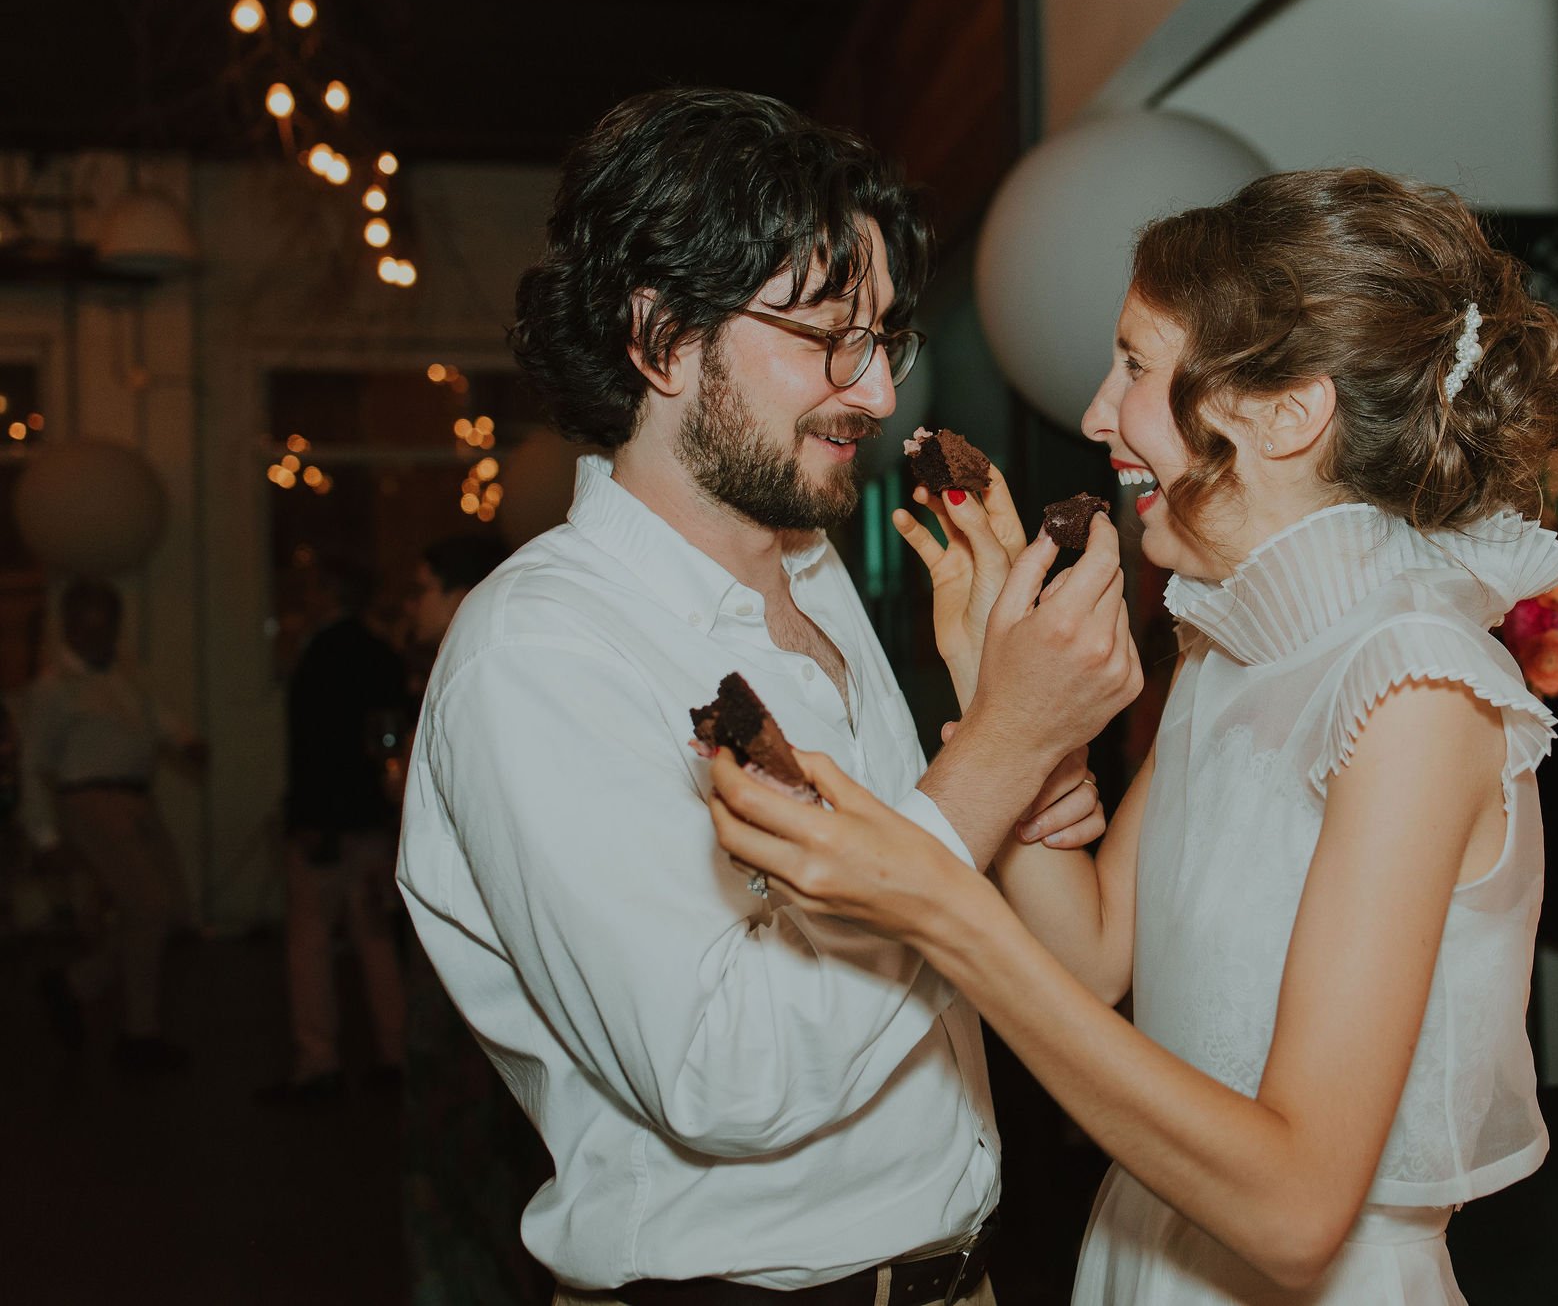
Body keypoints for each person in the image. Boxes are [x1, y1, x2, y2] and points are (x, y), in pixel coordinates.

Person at [709, 167, 1558, 1304]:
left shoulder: (1413, 689)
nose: (1091, 413)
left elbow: (1293, 1206)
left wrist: (939, 901)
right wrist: (999, 691)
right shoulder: (1227, 645)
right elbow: (1092, 955)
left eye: (1133, 364)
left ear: (1284, 411)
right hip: (1146, 1251)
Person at [397, 87, 1139, 1303]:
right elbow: (723, 1074)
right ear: (662, 337)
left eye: (884, 338)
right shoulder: (537, 653)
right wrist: (1002, 750)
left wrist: (1020, 778)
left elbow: (911, 899)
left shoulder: (807, 560)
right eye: (825, 337)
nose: (879, 393)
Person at [393, 530, 554, 1306]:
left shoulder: (492, 668)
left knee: (479, 1159)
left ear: (462, 590)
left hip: (489, 962)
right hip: (467, 957)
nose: (413, 605)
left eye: (424, 586)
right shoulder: (442, 668)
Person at [16, 577, 204, 1073]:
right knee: (148, 907)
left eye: (107, 626)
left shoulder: (123, 673)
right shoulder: (53, 690)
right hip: (90, 802)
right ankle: (139, 1032)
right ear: (70, 628)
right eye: (89, 627)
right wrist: (44, 836)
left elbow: (157, 718)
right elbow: (34, 767)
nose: (99, 637)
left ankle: (77, 984)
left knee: (170, 911)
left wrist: (185, 741)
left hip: (137, 799)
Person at [266, 555, 410, 1100]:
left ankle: (317, 1060)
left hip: (324, 821)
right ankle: (394, 1055)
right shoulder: (380, 654)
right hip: (370, 817)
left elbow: (312, 747)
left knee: (309, 939)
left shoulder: (317, 657)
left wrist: (307, 817)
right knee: (375, 938)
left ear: (328, 590)